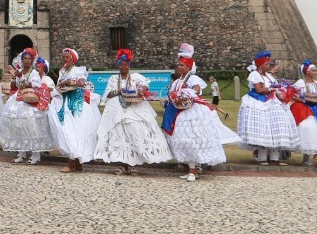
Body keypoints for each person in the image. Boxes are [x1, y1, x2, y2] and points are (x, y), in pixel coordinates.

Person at [94, 49, 172, 174]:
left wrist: (141, 89)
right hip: (117, 112)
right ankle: (124, 165)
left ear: (129, 66)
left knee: (136, 135)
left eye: (125, 64)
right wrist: (118, 91)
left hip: (135, 109)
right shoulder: (114, 79)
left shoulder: (135, 77)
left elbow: (145, 85)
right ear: (118, 66)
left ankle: (135, 165)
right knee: (121, 138)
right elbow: (108, 94)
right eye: (121, 64)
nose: (123, 66)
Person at [163, 48, 226, 181]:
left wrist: (187, 94)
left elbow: (196, 90)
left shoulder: (193, 78)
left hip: (193, 112)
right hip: (180, 112)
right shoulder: (177, 81)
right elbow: (172, 95)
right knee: (185, 140)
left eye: (182, 65)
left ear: (189, 67)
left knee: (193, 139)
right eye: (178, 64)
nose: (179, 67)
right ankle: (192, 169)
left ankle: (194, 169)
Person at [237, 50, 297, 165]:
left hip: (273, 101)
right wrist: (273, 90)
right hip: (259, 102)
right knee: (264, 129)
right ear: (260, 65)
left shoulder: (269, 76)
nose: (268, 66)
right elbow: (259, 89)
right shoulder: (255, 74)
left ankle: (274, 158)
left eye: (268, 64)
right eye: (266, 64)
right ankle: (262, 157)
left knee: (276, 128)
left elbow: (275, 86)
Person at [47, 47, 99, 173]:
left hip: (76, 103)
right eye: (63, 57)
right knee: (67, 130)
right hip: (64, 100)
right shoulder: (62, 71)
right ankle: (76, 162)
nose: (64, 59)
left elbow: (81, 83)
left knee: (75, 130)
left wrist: (69, 81)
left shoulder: (78, 70)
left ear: (73, 59)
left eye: (67, 57)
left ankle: (73, 163)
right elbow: (60, 86)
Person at [0, 54, 56, 165]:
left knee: (31, 127)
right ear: (21, 60)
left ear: (32, 61)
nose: (26, 60)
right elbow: (13, 87)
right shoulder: (19, 70)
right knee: (17, 126)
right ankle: (21, 153)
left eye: (29, 59)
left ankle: (35, 155)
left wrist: (21, 77)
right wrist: (13, 76)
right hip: (18, 99)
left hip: (30, 100)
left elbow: (31, 86)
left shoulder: (34, 73)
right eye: (25, 58)